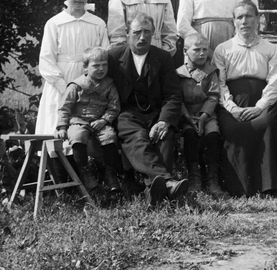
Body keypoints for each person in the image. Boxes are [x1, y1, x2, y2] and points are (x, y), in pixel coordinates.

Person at [213, 0, 277, 197]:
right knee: (233, 129)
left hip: (263, 99)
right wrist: (232, 107)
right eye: (239, 17)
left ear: (258, 19)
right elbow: (219, 83)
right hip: (233, 102)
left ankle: (269, 186)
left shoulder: (270, 49)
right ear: (233, 21)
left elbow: (274, 82)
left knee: (267, 124)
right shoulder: (223, 49)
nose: (244, 21)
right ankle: (238, 187)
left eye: (249, 16)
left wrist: (259, 107)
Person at [107, 12, 190, 206]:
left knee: (165, 137)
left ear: (153, 33)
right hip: (127, 114)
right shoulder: (113, 57)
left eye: (147, 32)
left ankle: (153, 193)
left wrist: (163, 121)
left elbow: (173, 95)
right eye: (137, 32)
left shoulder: (163, 58)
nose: (142, 37)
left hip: (156, 113)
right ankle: (167, 183)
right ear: (127, 32)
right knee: (137, 137)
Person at [36, 0, 110, 136]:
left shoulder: (97, 23)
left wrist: (92, 85)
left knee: (85, 130)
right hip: (61, 81)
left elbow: (104, 55)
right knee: (58, 125)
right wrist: (64, 87)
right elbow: (47, 60)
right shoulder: (54, 23)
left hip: (88, 81)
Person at [56, 46, 124, 192]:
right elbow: (65, 108)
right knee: (77, 136)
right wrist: (62, 127)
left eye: (104, 65)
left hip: (100, 122)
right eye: (96, 66)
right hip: (78, 121)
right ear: (85, 67)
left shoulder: (109, 85)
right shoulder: (76, 86)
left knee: (110, 137)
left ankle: (109, 173)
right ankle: (85, 172)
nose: (101, 69)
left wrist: (104, 120)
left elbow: (114, 107)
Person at [175, 34, 224, 196]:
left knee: (213, 135)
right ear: (185, 51)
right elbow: (177, 98)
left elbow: (213, 96)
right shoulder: (179, 74)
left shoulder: (210, 72)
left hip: (207, 115)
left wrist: (203, 116)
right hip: (187, 115)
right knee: (190, 135)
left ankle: (212, 179)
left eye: (205, 49)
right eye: (197, 50)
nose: (202, 53)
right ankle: (194, 177)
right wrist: (186, 117)